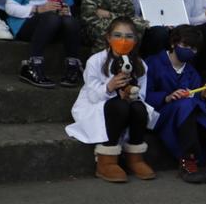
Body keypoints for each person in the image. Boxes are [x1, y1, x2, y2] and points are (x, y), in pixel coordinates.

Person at [66, 17, 158, 183]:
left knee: (138, 108)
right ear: (108, 37)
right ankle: (106, 159)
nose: (123, 40)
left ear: (136, 39)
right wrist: (110, 87)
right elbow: (92, 96)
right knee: (119, 107)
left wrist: (131, 95)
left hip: (126, 104)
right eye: (117, 35)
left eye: (129, 36)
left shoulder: (140, 65)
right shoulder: (95, 61)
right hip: (97, 104)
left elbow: (141, 95)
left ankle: (135, 157)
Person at [144, 25, 206, 188]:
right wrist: (166, 97)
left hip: (187, 113)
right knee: (185, 104)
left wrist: (202, 96)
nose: (189, 51)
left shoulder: (192, 72)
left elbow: (197, 103)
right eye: (186, 46)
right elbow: (143, 94)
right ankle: (187, 162)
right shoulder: (152, 63)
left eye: (194, 49)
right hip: (162, 114)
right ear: (173, 43)